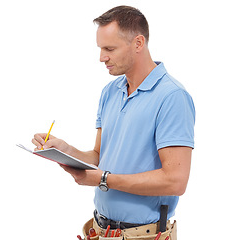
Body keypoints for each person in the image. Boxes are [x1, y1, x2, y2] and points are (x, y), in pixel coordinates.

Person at [32, 5, 195, 239]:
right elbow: (100, 156)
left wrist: (103, 179)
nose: (102, 58)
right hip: (100, 229)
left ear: (138, 43)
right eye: (100, 48)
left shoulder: (172, 97)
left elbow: (175, 181)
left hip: (144, 235)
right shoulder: (110, 91)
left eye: (109, 48)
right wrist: (66, 150)